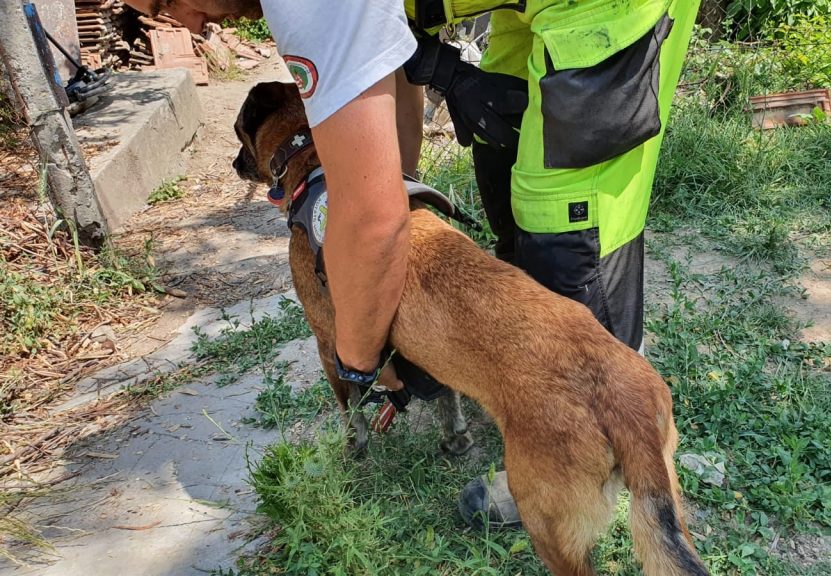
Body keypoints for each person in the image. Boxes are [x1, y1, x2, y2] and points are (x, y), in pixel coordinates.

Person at [122, 0, 699, 529]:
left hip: (599, 13)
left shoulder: (307, 5)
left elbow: (372, 222)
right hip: (524, 11)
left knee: (568, 226)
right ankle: (533, 396)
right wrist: (396, 182)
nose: (184, 25)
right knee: (505, 188)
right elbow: (388, 73)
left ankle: (581, 453)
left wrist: (359, 362)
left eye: (167, 1)